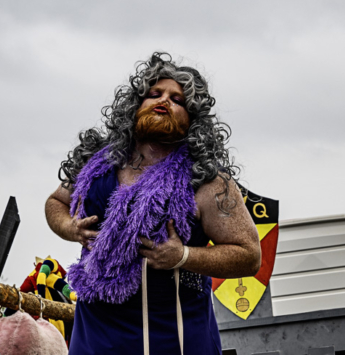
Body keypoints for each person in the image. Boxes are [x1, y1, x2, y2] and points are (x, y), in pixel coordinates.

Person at [45, 52, 261, 354]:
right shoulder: (96, 166)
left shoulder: (207, 181)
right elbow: (56, 201)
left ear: (192, 119)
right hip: (94, 334)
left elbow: (249, 255)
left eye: (177, 99)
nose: (164, 101)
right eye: (154, 94)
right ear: (135, 106)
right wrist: (70, 227)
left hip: (175, 337)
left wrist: (183, 255)